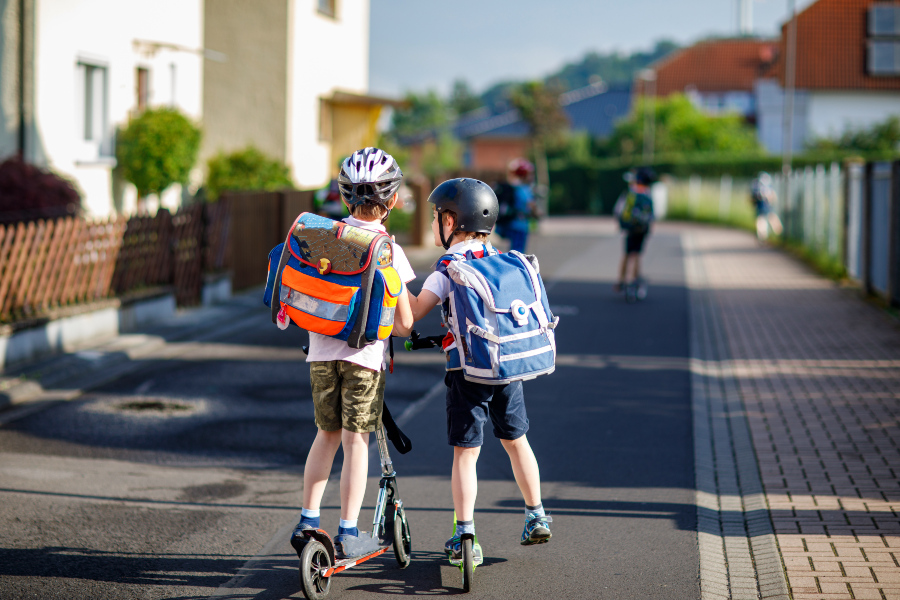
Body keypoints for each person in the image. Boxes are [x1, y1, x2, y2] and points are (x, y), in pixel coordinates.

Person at [392, 178, 551, 566]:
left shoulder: (449, 267)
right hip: (508, 366)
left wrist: (393, 275)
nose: (433, 224)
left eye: (435, 217)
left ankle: (465, 534)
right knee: (517, 442)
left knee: (466, 454)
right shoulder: (501, 258)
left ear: (451, 221)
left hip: (468, 374)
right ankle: (536, 514)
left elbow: (408, 320)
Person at [289, 148, 415, 560]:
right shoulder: (387, 250)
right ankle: (348, 531)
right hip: (364, 360)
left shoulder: (323, 238)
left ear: (345, 198)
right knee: (355, 441)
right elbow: (404, 324)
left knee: (324, 435)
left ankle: (307, 520)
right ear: (393, 200)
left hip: (321, 353)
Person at [613, 167, 655, 296]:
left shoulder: (630, 193)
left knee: (626, 253)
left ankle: (621, 280)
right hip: (642, 230)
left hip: (629, 228)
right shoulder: (647, 194)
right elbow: (652, 215)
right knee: (636, 254)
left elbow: (618, 210)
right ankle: (634, 279)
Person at [497, 158, 537, 253]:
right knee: (518, 251)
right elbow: (530, 204)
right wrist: (536, 214)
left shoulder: (513, 186)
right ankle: (515, 267)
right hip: (520, 224)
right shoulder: (523, 188)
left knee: (514, 249)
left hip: (511, 223)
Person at [750, 172, 783, 242]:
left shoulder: (756, 188)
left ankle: (764, 236)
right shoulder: (766, 188)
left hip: (762, 209)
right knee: (765, 221)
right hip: (766, 208)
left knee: (763, 222)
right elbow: (773, 197)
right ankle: (766, 236)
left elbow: (752, 199)